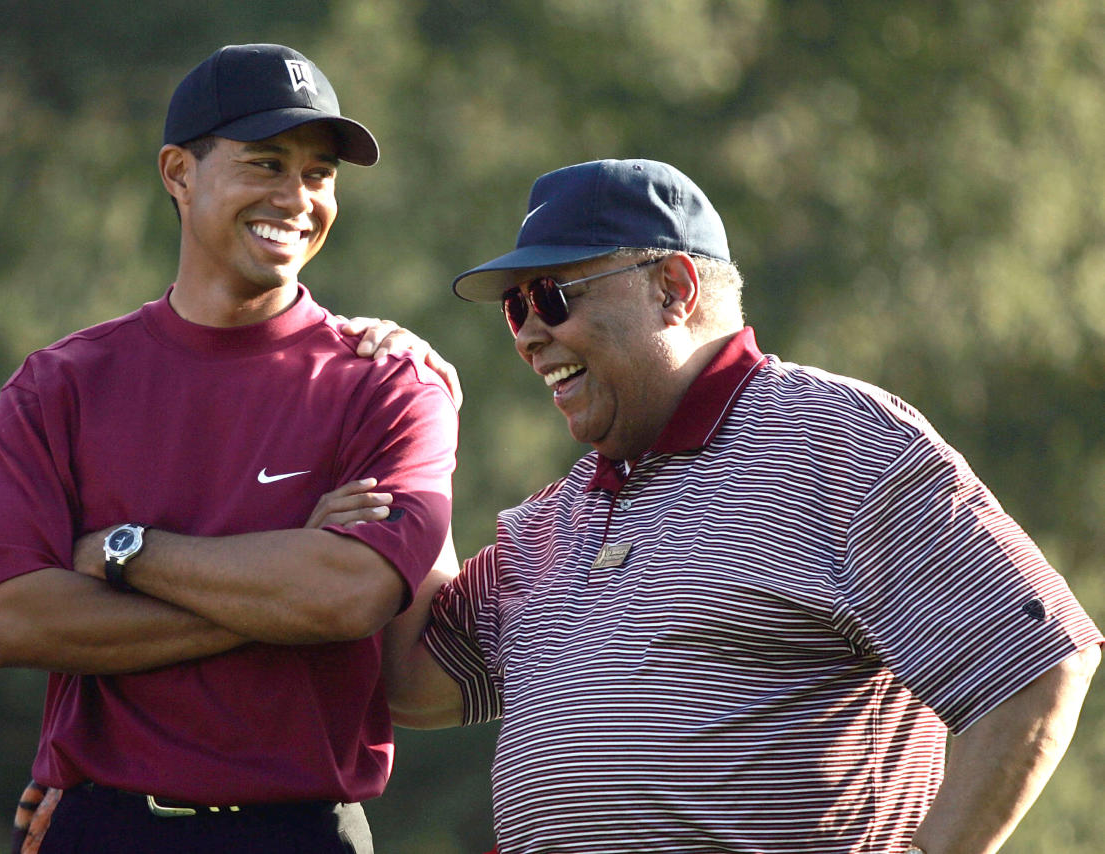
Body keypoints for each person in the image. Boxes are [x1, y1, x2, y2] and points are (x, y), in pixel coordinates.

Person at [381, 158, 1103, 853]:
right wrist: (409, 431)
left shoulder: (840, 441)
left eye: (552, 297)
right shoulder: (552, 517)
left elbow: (1041, 664)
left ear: (673, 288)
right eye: (515, 309)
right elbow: (408, 681)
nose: (531, 334)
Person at [0, 43, 459, 854]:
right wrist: (282, 579)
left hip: (307, 834)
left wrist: (124, 554)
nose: (297, 198)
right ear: (177, 173)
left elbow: (347, 599)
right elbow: (10, 620)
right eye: (266, 163)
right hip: (100, 826)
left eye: (320, 174)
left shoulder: (391, 381)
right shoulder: (59, 385)